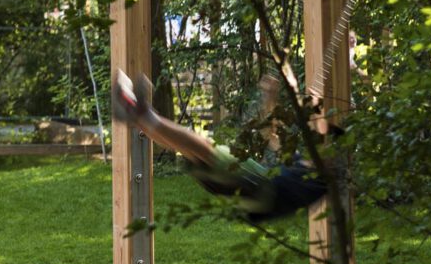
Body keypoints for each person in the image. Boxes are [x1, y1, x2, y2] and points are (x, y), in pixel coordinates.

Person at [113, 69, 327, 222]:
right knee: (193, 151)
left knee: (204, 148)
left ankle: (142, 114)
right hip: (253, 199)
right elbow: (274, 134)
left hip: (261, 189)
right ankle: (138, 117)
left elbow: (293, 135)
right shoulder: (304, 168)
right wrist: (271, 98)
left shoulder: (325, 178)